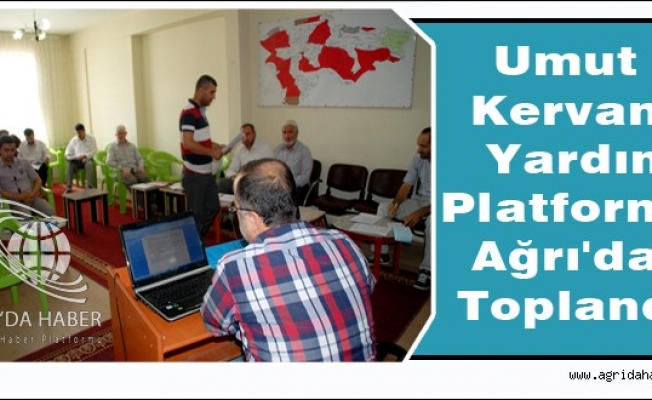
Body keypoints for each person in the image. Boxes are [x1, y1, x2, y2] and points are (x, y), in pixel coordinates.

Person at [201, 158, 376, 361]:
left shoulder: (235, 268)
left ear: (252, 219)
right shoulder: (344, 242)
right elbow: (368, 287)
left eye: (236, 208)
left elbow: (214, 323)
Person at [371, 127, 431, 291]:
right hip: (419, 200)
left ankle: (427, 270)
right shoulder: (418, 158)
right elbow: (407, 184)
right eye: (418, 145)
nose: (419, 149)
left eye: (423, 146)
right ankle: (381, 254)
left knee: (434, 222)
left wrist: (420, 212)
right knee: (384, 208)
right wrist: (396, 203)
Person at [179, 74, 226, 237]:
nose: (214, 97)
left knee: (213, 208)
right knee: (197, 217)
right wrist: (212, 152)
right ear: (201, 90)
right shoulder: (189, 112)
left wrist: (216, 146)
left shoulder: (200, 112)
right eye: (211, 92)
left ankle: (196, 239)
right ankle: (194, 243)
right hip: (194, 175)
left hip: (206, 173)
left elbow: (200, 140)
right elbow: (188, 143)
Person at [0, 135, 55, 216]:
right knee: (27, 217)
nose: (10, 153)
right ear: (0, 150)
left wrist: (33, 194)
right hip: (14, 202)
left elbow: (38, 180)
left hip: (31, 198)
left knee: (50, 212)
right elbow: (1, 190)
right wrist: (18, 197)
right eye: (6, 150)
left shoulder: (23, 163)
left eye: (12, 150)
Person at [216, 123, 273, 195]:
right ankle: (229, 202)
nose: (245, 137)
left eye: (248, 134)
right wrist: (234, 177)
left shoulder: (265, 149)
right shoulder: (239, 150)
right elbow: (231, 170)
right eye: (242, 135)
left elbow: (271, 172)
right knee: (221, 182)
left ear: (254, 134)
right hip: (241, 183)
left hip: (258, 183)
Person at [273, 119, 313, 205]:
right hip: (280, 185)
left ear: (297, 133)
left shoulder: (304, 151)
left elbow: (305, 177)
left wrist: (288, 183)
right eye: (284, 132)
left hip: (297, 187)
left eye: (290, 132)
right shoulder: (277, 150)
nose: (287, 136)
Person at [64, 123, 97, 192]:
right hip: (77, 160)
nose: (78, 135)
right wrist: (68, 155)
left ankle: (90, 186)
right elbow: (68, 150)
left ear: (84, 130)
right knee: (70, 165)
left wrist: (85, 156)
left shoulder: (91, 138)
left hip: (87, 159)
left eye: (80, 132)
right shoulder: (74, 139)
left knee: (89, 164)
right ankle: (69, 187)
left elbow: (94, 150)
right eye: (77, 133)